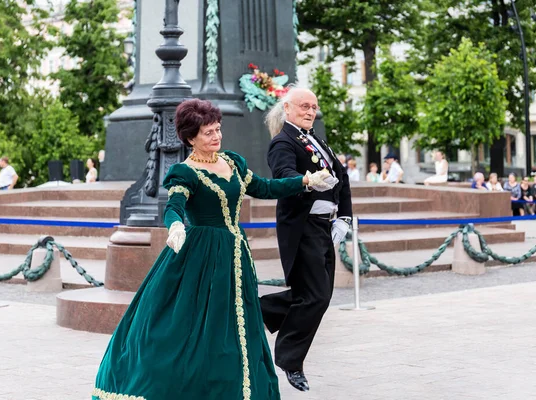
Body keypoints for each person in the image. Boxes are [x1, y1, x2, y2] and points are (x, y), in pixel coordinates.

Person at [92, 99, 336, 400]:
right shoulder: (185, 172)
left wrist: (305, 180)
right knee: (191, 325)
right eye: (208, 133)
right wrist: (176, 226)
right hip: (201, 257)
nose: (216, 136)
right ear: (191, 137)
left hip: (235, 253)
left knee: (236, 323)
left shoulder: (232, 162)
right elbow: (174, 206)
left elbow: (265, 188)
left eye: (218, 129)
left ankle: (236, 389)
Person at [260, 87, 352, 392]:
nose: (310, 112)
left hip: (325, 226)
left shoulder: (315, 138)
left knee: (316, 295)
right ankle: (290, 360)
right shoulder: (283, 142)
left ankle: (256, 310)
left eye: (314, 107)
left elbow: (342, 176)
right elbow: (283, 174)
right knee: (315, 297)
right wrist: (307, 181)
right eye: (304, 107)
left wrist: (344, 217)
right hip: (304, 226)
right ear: (287, 108)